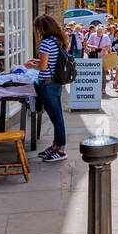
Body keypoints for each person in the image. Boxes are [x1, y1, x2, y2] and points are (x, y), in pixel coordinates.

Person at [26, 14, 68, 163]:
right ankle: (56, 146)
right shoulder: (58, 41)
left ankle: (61, 149)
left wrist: (31, 65)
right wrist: (36, 61)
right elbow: (51, 62)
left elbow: (43, 67)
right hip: (55, 83)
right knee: (58, 116)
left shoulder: (45, 43)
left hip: (47, 84)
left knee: (56, 118)